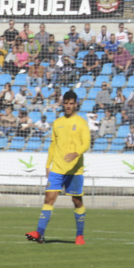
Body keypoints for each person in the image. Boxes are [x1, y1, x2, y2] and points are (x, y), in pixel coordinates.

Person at [26, 90, 90, 245]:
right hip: (57, 168)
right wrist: (48, 164)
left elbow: (86, 143)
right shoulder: (58, 123)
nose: (68, 106)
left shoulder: (81, 123)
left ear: (76, 104)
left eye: (71, 103)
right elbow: (53, 145)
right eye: (66, 103)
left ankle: (80, 235)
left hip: (74, 170)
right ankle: (39, 233)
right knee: (49, 198)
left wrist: (76, 153)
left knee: (76, 201)